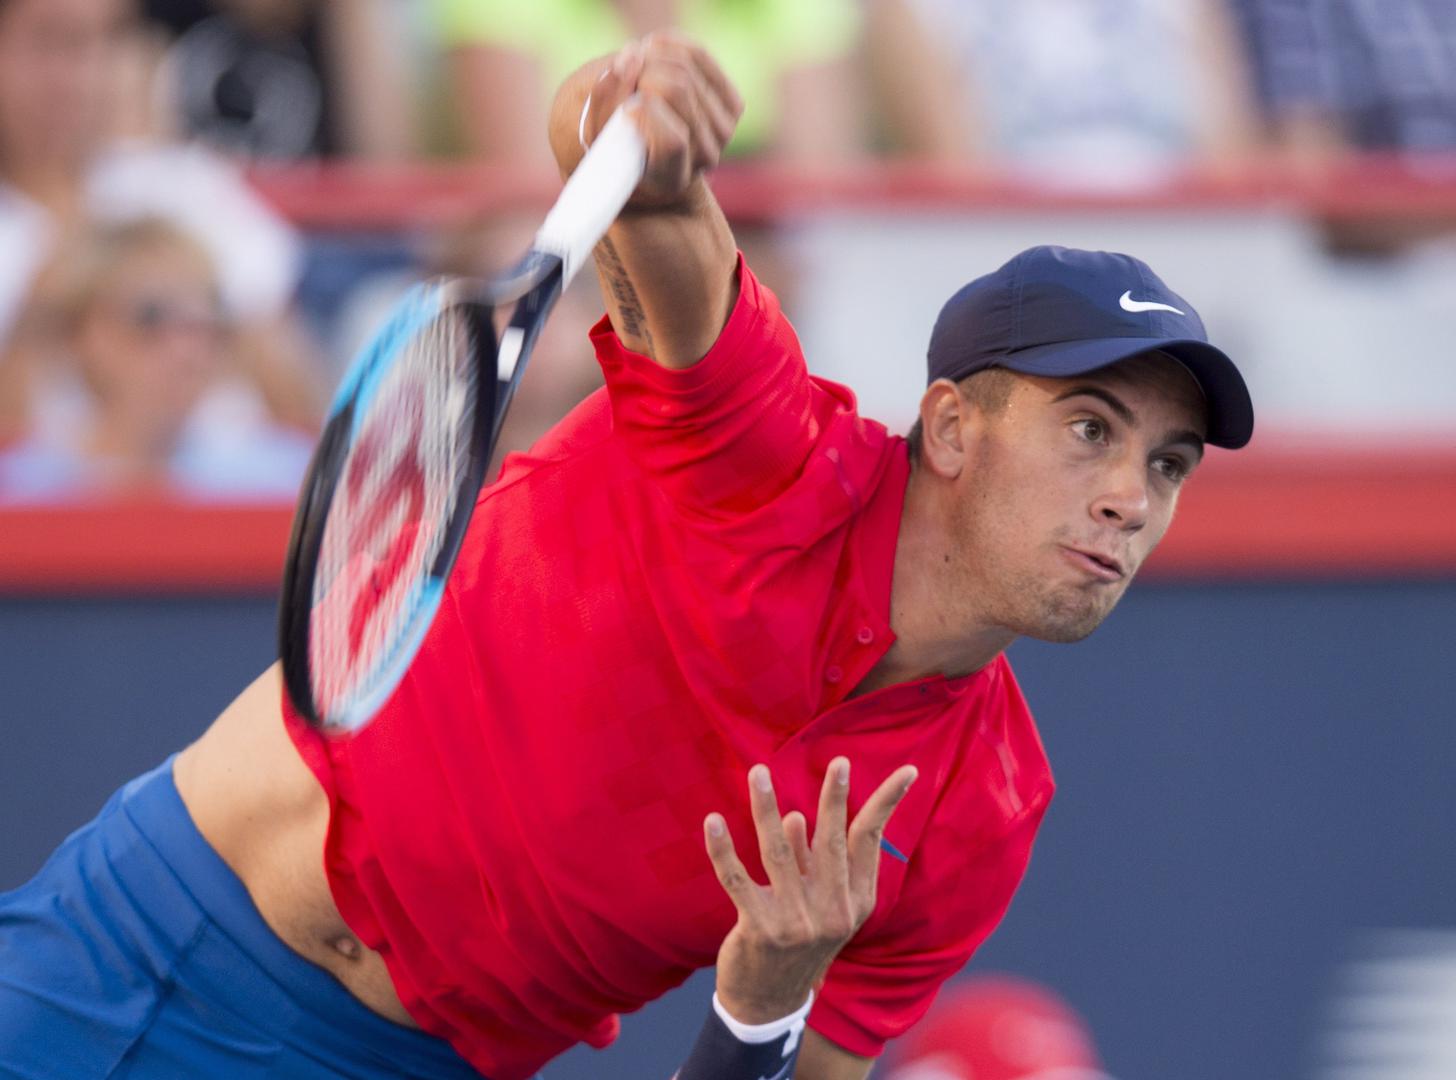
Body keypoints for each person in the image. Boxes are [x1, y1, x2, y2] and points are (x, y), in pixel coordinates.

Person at [0, 31, 1254, 1080]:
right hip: (147, 935)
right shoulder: (760, 442)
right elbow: (648, 199)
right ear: (950, 427)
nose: (1127, 498)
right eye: (1088, 430)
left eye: (1166, 463)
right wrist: (628, 114)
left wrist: (759, 1005)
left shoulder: (979, 815)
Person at [0, 217, 313, 501]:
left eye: (207, 319)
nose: (187, 348)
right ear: (78, 333)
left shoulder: (280, 479)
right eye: (150, 317)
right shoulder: (20, 487)